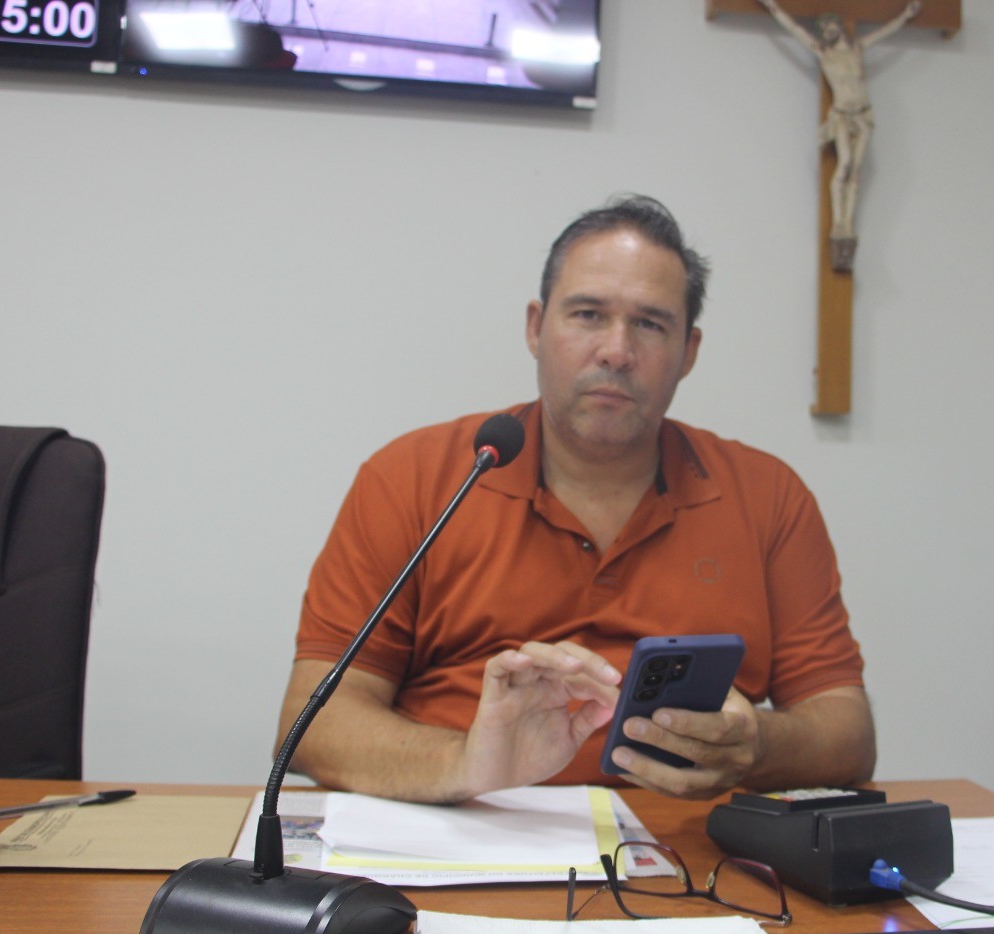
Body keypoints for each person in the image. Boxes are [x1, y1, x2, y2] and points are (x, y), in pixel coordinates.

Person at [278, 194, 875, 805]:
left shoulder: (767, 496)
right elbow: (312, 724)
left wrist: (757, 746)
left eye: (650, 324)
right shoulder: (414, 478)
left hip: (686, 841)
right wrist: (468, 763)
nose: (616, 351)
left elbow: (847, 732)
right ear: (535, 328)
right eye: (588, 314)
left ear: (689, 352)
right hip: (461, 822)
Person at [758, 0, 922, 270]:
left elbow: (884, 32)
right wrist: (773, 6)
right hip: (842, 116)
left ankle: (847, 224)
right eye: (824, 29)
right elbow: (795, 29)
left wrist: (905, 16)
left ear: (839, 27)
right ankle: (838, 223)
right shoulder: (823, 53)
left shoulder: (857, 48)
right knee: (844, 165)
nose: (828, 31)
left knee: (856, 171)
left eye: (831, 26)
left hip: (863, 115)